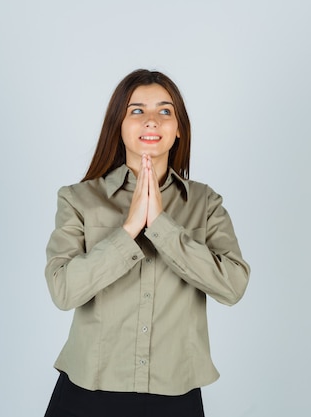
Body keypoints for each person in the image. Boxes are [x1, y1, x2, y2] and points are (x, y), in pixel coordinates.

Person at [43, 69, 250, 417]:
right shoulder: (78, 199)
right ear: (118, 126)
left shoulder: (205, 203)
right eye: (137, 111)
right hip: (87, 392)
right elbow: (63, 291)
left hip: (175, 395)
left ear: (179, 127)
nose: (151, 121)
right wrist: (128, 230)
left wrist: (161, 227)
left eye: (165, 111)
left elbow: (233, 286)